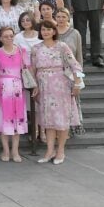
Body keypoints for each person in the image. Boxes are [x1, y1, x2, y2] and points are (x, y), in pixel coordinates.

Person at [31, 20, 83, 165]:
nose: (45, 32)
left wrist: (77, 82)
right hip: (43, 86)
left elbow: (75, 65)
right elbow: (32, 69)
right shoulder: (36, 48)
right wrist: (33, 85)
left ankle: (60, 150)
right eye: (43, 30)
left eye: (48, 29)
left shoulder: (62, 46)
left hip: (61, 85)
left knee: (62, 119)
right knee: (48, 120)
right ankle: (49, 151)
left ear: (54, 31)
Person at [0, 27, 29, 163]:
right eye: (5, 36)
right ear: (0, 38)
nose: (9, 38)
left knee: (17, 120)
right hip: (2, 88)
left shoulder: (21, 51)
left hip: (18, 88)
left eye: (11, 36)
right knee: (3, 119)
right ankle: (5, 150)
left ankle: (15, 150)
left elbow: (26, 70)